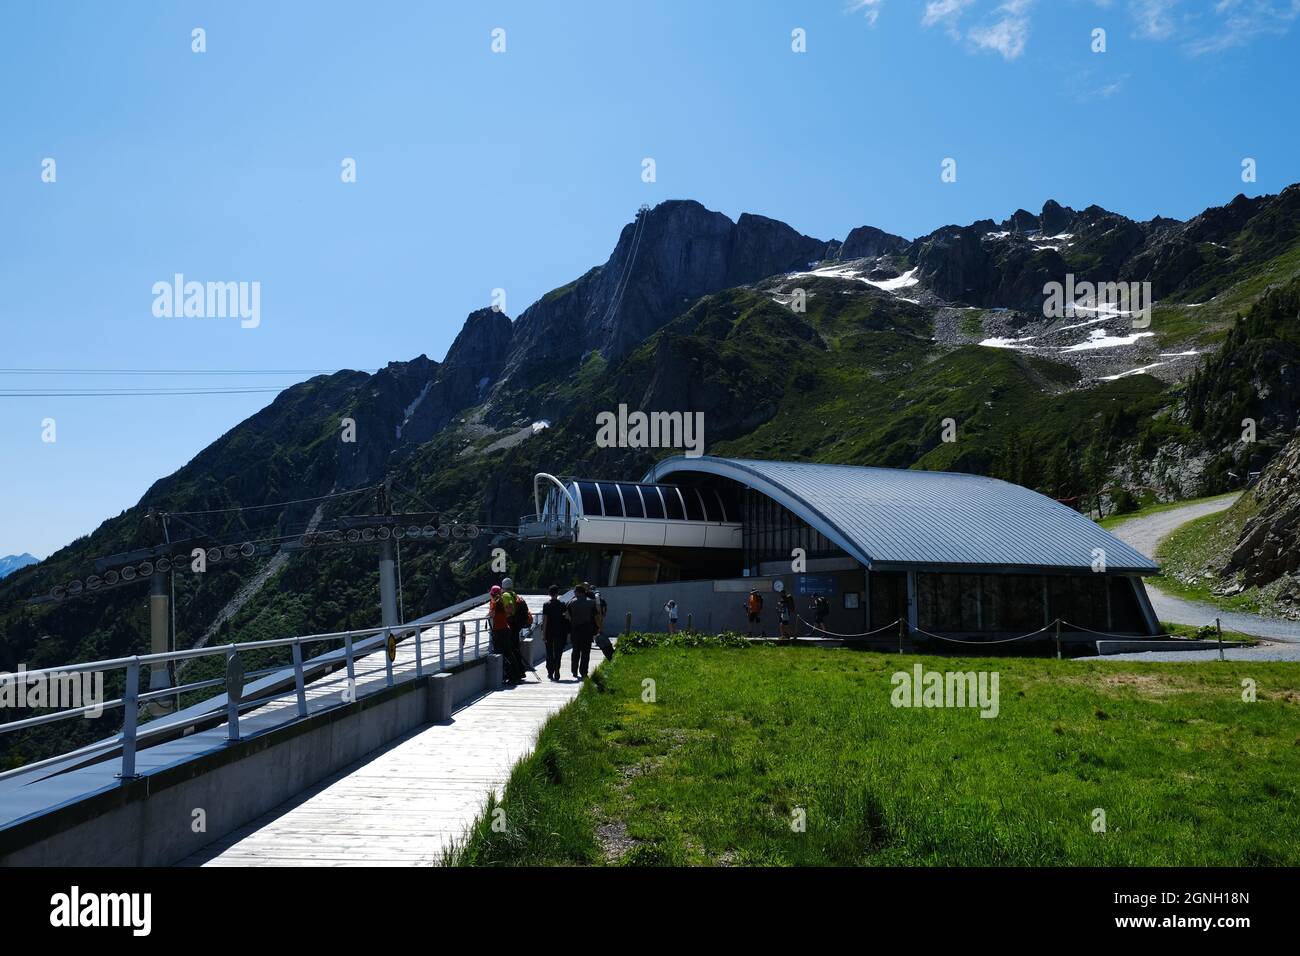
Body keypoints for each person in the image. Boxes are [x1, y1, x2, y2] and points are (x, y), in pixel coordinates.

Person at [498, 577, 529, 683]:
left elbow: (510, 608)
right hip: (516, 625)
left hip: (511, 625)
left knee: (511, 650)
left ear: (503, 586)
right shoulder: (514, 594)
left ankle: (515, 673)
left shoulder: (506, 595)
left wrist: (504, 615)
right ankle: (520, 671)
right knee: (515, 648)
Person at [487, 585, 520, 684]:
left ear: (492, 594)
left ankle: (504, 675)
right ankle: (515, 675)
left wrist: (488, 613)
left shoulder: (494, 602)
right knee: (509, 653)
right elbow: (510, 611)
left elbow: (492, 614)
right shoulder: (502, 601)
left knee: (499, 653)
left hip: (498, 631)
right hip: (506, 629)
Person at [566, 584, 598, 678]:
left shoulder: (571, 602)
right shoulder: (591, 603)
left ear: (578, 592)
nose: (574, 594)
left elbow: (567, 616)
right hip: (587, 630)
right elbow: (596, 617)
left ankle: (574, 671)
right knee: (585, 652)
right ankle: (583, 672)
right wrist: (599, 628)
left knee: (575, 651)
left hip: (575, 630)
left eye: (575, 592)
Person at [541, 585, 570, 681]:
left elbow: (545, 620)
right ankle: (557, 669)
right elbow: (567, 617)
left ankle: (550, 671)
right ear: (558, 593)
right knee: (558, 652)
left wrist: (543, 633)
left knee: (549, 652)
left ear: (549, 594)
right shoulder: (562, 604)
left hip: (549, 631)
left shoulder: (546, 605)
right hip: (560, 631)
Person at [590, 585, 615, 662]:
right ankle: (598, 639)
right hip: (599, 615)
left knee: (595, 629)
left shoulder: (592, 598)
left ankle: (596, 640)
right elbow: (605, 608)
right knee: (599, 628)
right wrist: (603, 614)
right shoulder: (601, 599)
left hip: (594, 616)